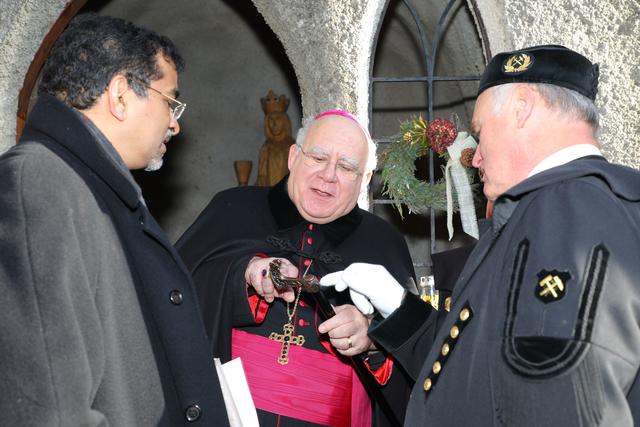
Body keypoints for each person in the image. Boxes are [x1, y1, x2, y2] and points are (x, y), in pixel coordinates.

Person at [321, 45, 640, 426]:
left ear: (522, 107)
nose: (474, 158)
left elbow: (562, 401)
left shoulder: (567, 207)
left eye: (480, 132)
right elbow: (474, 372)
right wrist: (396, 303)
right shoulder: (551, 209)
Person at [0, 14, 229, 426]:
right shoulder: (36, 181)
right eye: (170, 101)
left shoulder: (94, 186)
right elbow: (49, 407)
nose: (175, 123)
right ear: (121, 95)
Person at [177, 110, 416, 427]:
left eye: (346, 167)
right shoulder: (232, 209)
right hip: (223, 413)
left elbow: (415, 349)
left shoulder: (384, 244)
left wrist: (371, 335)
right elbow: (175, 292)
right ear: (293, 156)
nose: (328, 175)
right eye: (318, 157)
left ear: (366, 180)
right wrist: (245, 272)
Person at [255, 90, 295, 186]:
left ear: (285, 121)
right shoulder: (266, 148)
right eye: (271, 120)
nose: (274, 124)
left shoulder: (292, 146)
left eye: (277, 119)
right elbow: (262, 176)